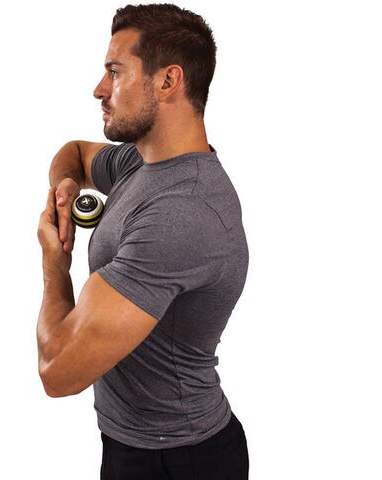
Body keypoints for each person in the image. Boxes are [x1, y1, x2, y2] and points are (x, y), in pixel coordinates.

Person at [37, 4, 249, 479]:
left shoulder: (182, 212)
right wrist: (66, 186)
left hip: (181, 460)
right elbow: (74, 152)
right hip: (133, 444)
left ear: (168, 81)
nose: (99, 89)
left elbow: (58, 370)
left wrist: (54, 261)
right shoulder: (142, 164)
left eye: (115, 72)